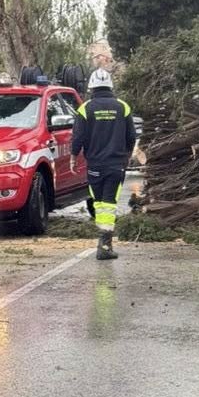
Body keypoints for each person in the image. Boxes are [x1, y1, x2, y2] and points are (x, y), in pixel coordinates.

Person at [70, 68, 139, 260]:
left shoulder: (85, 108)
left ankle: (103, 242)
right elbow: (131, 136)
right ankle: (105, 245)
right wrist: (126, 156)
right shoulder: (122, 107)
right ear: (110, 85)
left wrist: (73, 157)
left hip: (94, 166)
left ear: (92, 87)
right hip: (116, 165)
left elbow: (78, 137)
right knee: (108, 204)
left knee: (100, 204)